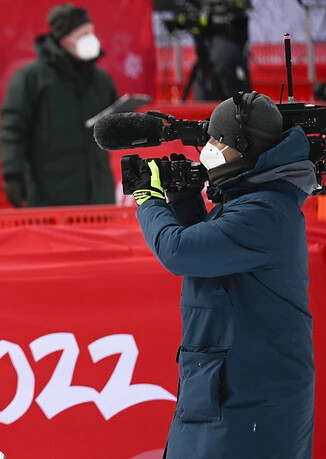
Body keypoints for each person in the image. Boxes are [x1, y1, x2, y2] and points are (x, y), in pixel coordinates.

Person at [130, 91, 316, 458]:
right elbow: (213, 256)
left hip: (251, 399)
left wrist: (147, 199)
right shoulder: (251, 200)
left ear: (244, 148)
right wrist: (184, 201)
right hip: (229, 388)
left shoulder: (264, 212)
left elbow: (179, 252)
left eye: (218, 140)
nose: (209, 149)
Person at [0, 3, 118, 207]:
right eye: (83, 35)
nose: (91, 40)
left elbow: (115, 123)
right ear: (64, 40)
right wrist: (12, 174)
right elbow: (13, 128)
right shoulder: (31, 79)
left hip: (99, 193)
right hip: (51, 194)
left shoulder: (101, 80)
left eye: (91, 33)